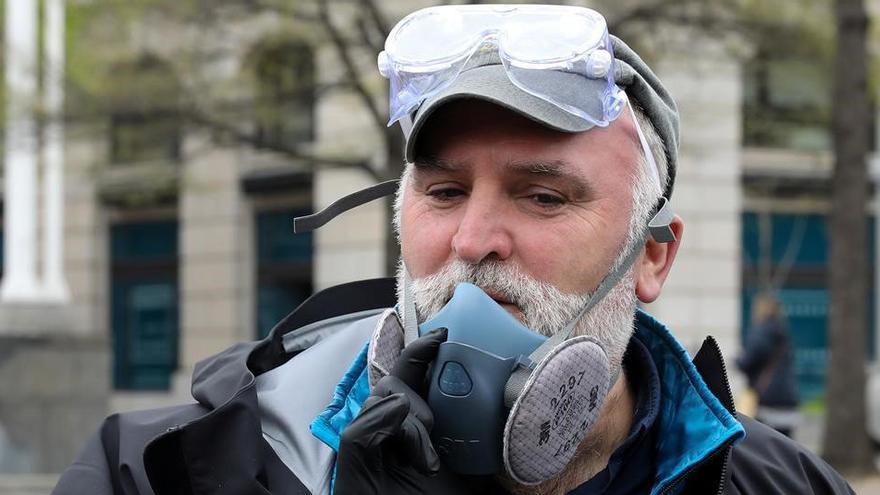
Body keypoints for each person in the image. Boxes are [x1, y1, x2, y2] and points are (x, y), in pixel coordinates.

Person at [54, 4, 854, 494]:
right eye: (442, 192)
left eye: (544, 196)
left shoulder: (780, 485)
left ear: (652, 257)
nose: (471, 241)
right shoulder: (169, 468)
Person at [736, 292, 800, 437]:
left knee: (764, 443)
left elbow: (750, 360)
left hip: (768, 397)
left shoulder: (761, 331)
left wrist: (738, 361)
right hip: (788, 397)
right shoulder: (783, 331)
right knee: (784, 444)